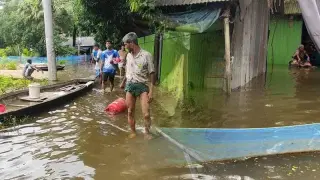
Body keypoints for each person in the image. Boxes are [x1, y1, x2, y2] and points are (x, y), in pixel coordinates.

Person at [120, 32, 155, 139]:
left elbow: (152, 73)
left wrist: (152, 91)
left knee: (146, 114)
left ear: (131, 43)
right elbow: (128, 70)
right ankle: (133, 132)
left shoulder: (146, 55)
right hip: (130, 85)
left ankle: (147, 132)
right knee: (130, 111)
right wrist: (123, 81)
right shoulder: (128, 56)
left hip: (143, 86)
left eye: (125, 44)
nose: (124, 47)